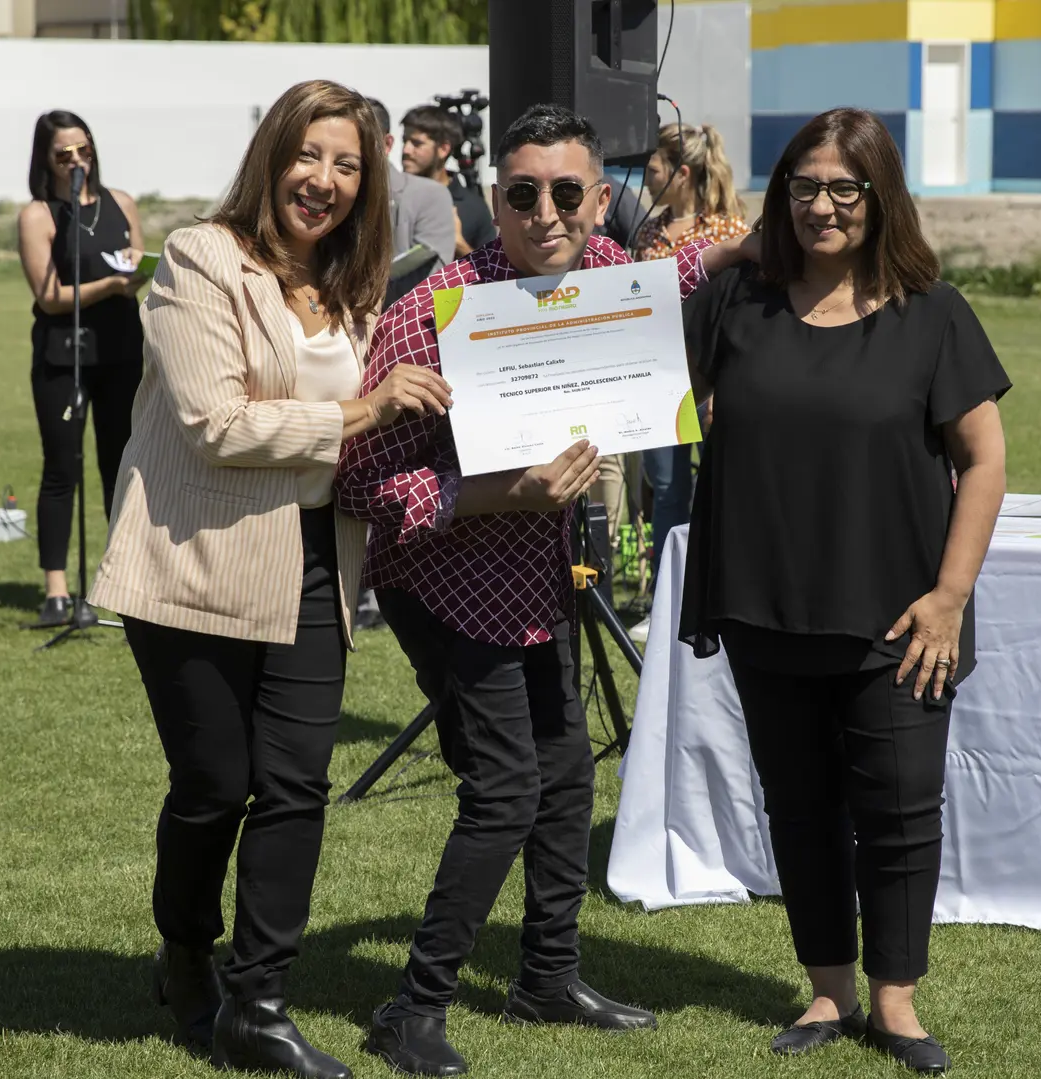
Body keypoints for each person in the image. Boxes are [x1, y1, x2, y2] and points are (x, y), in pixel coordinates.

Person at [336, 103, 754, 1078]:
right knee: (505, 787)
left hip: (537, 582)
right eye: (524, 193)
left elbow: (672, 276)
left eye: (567, 192)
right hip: (445, 584)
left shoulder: (605, 270)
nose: (546, 213)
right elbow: (356, 483)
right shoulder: (433, 311)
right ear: (496, 200)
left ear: (599, 200)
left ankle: (547, 977)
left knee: (566, 770)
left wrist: (742, 247)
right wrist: (485, 493)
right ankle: (413, 1007)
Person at [85, 79, 451, 1079]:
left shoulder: (358, 284)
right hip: (195, 554)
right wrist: (368, 410)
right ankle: (185, 950)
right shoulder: (201, 257)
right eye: (309, 155)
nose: (324, 179)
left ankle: (258, 1003)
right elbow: (218, 423)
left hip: (314, 559)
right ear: (272, 157)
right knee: (215, 783)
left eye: (348, 164)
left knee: (295, 783)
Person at [679, 108, 1010, 1075]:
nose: (821, 206)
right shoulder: (738, 301)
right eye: (803, 186)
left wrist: (950, 595)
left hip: (901, 615)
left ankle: (896, 1003)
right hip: (765, 602)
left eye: (843, 188)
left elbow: (984, 460)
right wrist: (726, 251)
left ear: (880, 196)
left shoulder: (932, 312)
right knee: (799, 805)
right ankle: (830, 989)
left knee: (900, 808)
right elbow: (625, 338)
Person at [16, 110, 151, 627]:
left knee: (122, 467)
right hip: (63, 355)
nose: (76, 161)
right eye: (64, 154)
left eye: (84, 149)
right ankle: (57, 591)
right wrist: (110, 285)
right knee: (61, 467)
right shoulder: (39, 215)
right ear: (46, 159)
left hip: (121, 350)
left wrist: (135, 274)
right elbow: (49, 296)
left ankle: (125, 582)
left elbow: (137, 262)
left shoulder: (122, 203)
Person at [622, 122, 750, 622]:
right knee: (667, 491)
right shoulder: (649, 231)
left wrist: (723, 386)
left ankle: (720, 596)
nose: (647, 179)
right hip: (659, 381)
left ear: (682, 172)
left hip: (712, 381)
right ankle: (666, 604)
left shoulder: (729, 232)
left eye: (653, 168)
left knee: (721, 489)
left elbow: (740, 316)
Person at [366, 98, 454, 308]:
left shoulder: (430, 194)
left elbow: (432, 283)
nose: (406, 150)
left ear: (387, 144)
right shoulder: (331, 194)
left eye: (362, 139)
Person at [399, 104, 495, 258]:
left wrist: (458, 243)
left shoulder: (474, 208)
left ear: (443, 149)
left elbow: (491, 269)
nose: (406, 150)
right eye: (405, 141)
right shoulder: (392, 195)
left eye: (417, 143)